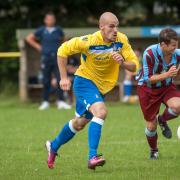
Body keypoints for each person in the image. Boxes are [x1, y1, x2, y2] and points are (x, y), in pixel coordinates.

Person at [45, 12, 139, 170]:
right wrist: (63, 77)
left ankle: (53, 146)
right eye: (111, 26)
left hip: (102, 88)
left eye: (117, 26)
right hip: (84, 82)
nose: (115, 30)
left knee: (79, 123)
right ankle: (92, 157)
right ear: (101, 27)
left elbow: (134, 65)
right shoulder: (88, 41)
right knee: (101, 112)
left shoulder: (121, 40)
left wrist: (123, 62)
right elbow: (62, 50)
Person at [136, 28, 180, 160]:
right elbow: (148, 78)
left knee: (178, 106)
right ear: (163, 45)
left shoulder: (177, 54)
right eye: (173, 45)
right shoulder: (149, 53)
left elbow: (176, 74)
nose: (175, 48)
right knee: (151, 125)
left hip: (166, 86)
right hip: (147, 89)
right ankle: (154, 150)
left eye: (176, 45)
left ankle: (162, 119)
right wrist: (168, 74)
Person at [26, 12, 71, 110]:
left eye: (52, 19)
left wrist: (62, 48)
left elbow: (65, 39)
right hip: (45, 58)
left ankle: (61, 101)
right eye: (48, 19)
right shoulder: (41, 30)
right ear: (45, 20)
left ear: (54, 20)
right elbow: (29, 38)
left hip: (57, 58)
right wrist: (39, 47)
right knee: (45, 80)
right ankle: (45, 101)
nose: (50, 20)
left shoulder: (58, 30)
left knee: (60, 78)